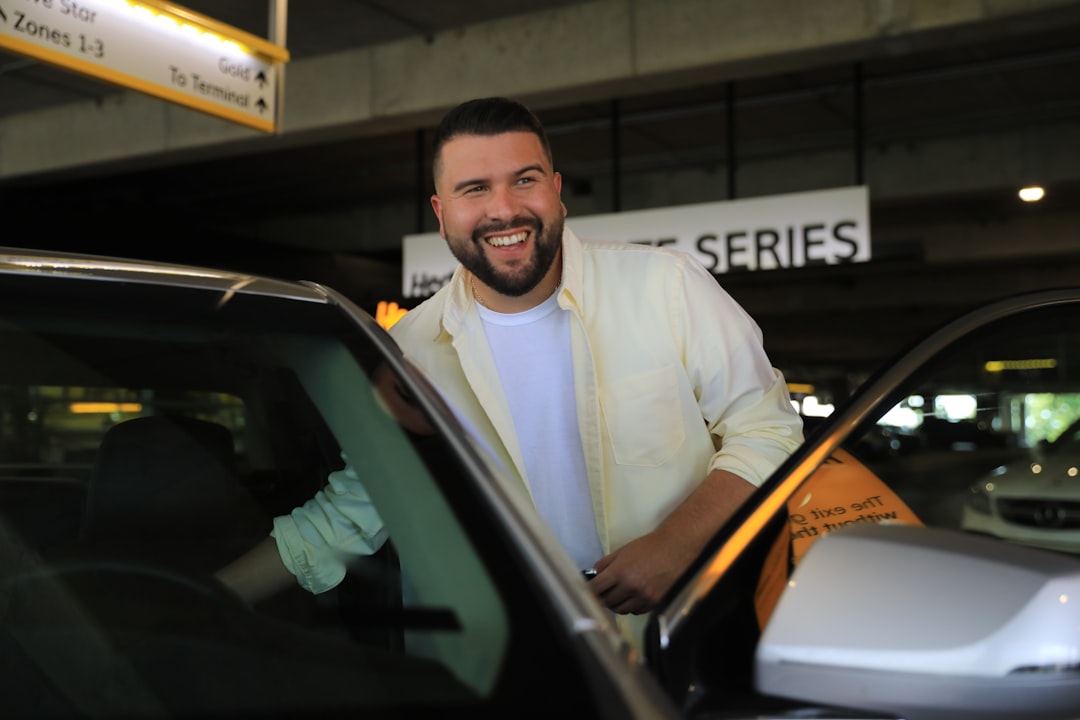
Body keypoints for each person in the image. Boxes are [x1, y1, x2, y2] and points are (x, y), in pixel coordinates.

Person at [219, 97, 803, 647]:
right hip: (502, 662)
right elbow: (365, 500)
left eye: (524, 180)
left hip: (675, 642)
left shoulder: (666, 286)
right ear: (441, 213)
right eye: (475, 189)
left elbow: (769, 431)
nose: (505, 209)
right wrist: (209, 595)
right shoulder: (409, 349)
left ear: (556, 190)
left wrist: (676, 546)